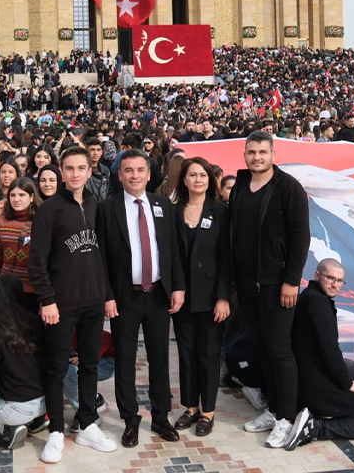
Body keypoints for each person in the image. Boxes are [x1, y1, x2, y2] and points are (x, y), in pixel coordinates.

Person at [27, 146, 116, 463]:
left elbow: (103, 256)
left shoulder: (94, 204)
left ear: (90, 171)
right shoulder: (49, 210)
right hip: (61, 304)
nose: (76, 173)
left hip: (92, 301)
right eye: (70, 168)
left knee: (89, 364)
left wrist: (106, 294)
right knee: (57, 367)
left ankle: (88, 423)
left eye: (81, 168)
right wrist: (47, 300)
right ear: (61, 172)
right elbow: (36, 263)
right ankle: (55, 431)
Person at [97, 149, 186, 447]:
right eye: (128, 170)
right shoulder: (107, 208)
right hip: (124, 298)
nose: (134, 175)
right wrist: (107, 295)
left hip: (158, 294)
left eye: (140, 170)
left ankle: (161, 417)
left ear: (149, 174)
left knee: (160, 358)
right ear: (119, 175)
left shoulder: (162, 205)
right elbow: (102, 257)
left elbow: (172, 250)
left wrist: (177, 287)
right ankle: (130, 420)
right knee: (125, 360)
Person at [229, 131, 310, 447]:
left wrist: (292, 280)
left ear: (273, 154)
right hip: (247, 284)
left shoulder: (289, 188)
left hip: (278, 284)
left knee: (279, 350)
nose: (257, 157)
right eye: (252, 152)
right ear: (245, 155)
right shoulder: (240, 185)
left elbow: (300, 236)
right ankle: (274, 410)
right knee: (262, 348)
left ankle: (287, 418)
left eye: (262, 152)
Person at [284, 258, 354, 451]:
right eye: (330, 278)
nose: (335, 285)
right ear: (317, 275)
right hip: (313, 379)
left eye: (339, 281)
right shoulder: (318, 304)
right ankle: (315, 427)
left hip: (304, 367)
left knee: (352, 368)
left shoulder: (310, 295)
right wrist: (348, 384)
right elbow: (330, 351)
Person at [170, 157, 231, 437]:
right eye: (192, 175)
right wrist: (175, 288)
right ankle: (191, 407)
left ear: (210, 180)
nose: (197, 180)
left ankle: (208, 411)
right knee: (186, 352)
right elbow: (170, 255)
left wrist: (223, 297)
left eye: (203, 175)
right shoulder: (173, 212)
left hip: (211, 296)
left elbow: (226, 258)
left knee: (208, 354)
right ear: (184, 179)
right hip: (182, 295)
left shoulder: (220, 212)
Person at [0, 274, 45, 451]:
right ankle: (36, 421)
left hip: (15, 409)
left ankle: (9, 428)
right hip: (45, 403)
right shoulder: (36, 321)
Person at [0, 177, 39, 293]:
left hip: (34, 290)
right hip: (6, 288)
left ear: (32, 197)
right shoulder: (1, 221)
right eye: (12, 195)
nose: (16, 199)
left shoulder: (42, 222)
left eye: (22, 195)